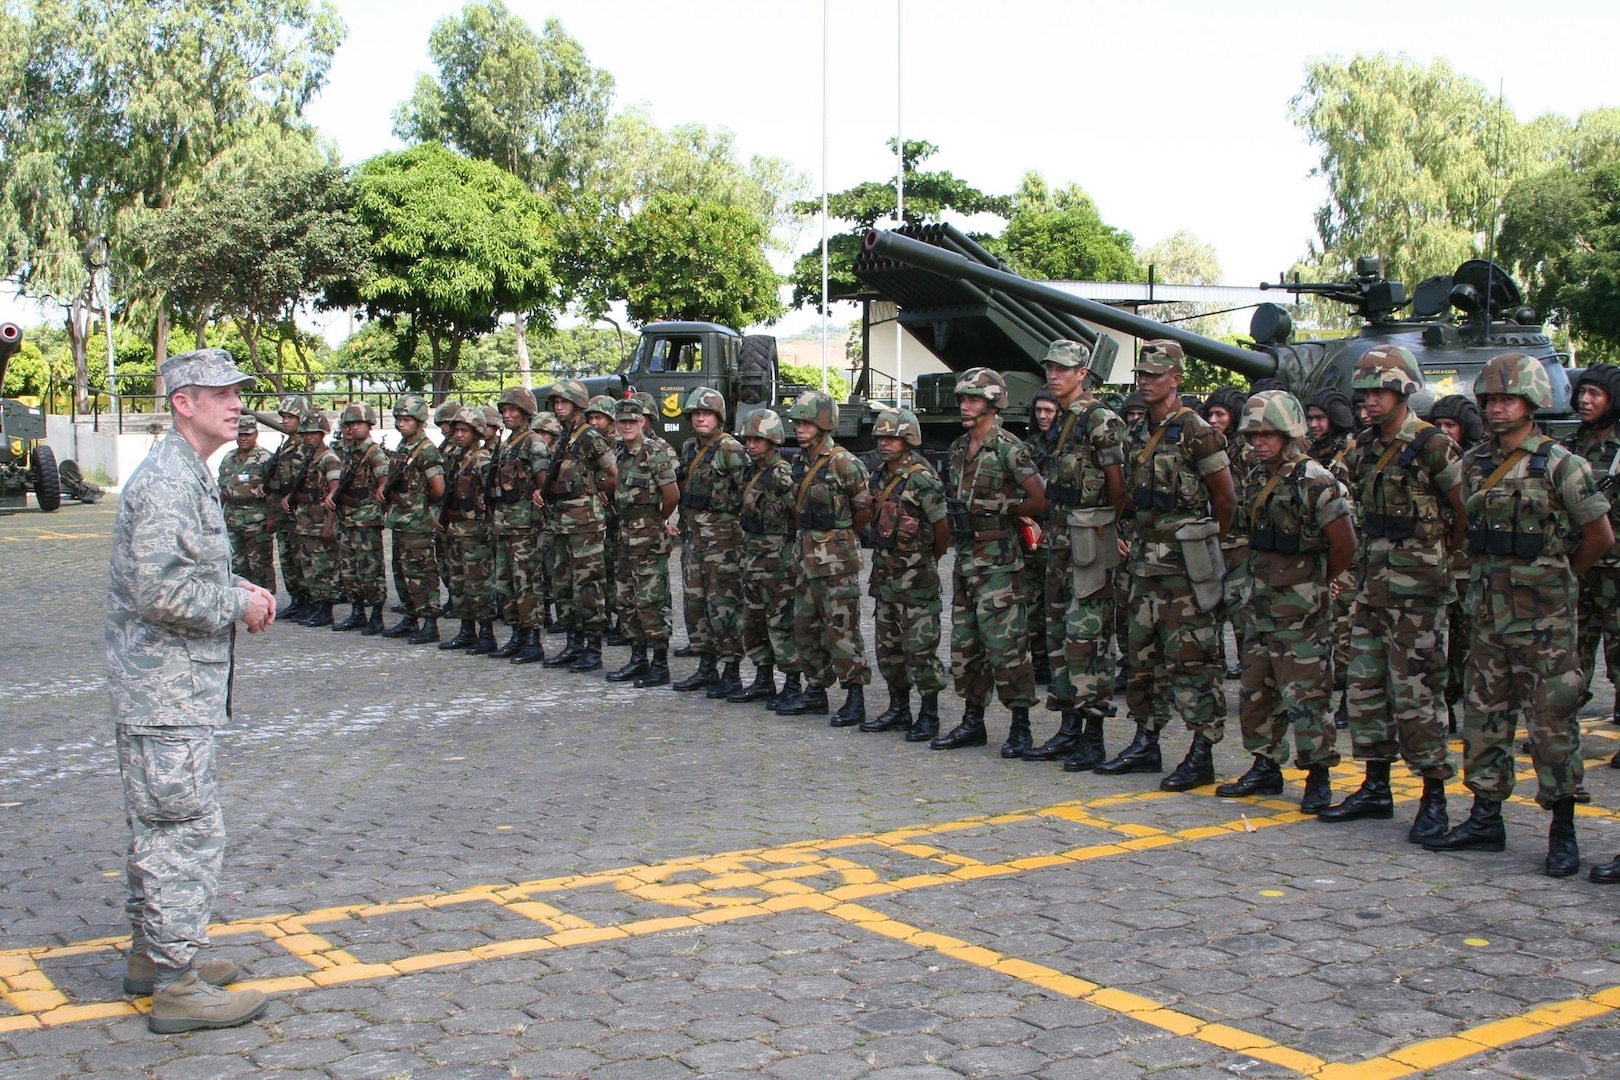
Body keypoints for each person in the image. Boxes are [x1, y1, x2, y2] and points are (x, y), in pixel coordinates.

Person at [107, 347, 273, 1032]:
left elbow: (179, 570)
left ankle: (157, 956)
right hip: (164, 693)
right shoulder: (170, 480)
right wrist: (237, 607)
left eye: (238, 393)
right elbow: (160, 592)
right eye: (221, 394)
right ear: (184, 402)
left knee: (163, 825)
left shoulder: (185, 471)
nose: (237, 405)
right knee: (184, 832)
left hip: (172, 691)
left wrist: (233, 585)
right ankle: (177, 985)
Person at [1425, 353, 1613, 877]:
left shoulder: (1561, 464)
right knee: (1485, 720)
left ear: (1532, 404)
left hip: (1545, 624)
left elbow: (1599, 536)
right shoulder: (1476, 463)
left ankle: (1563, 829)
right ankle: (1486, 817)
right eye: (1490, 400)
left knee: (1552, 725)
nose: (1497, 408)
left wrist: (1561, 579)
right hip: (1488, 619)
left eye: (1507, 400)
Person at [1318, 345, 1467, 843]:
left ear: (1404, 390)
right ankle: (1376, 786)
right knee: (1366, 690)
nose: (1370, 401)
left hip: (1419, 598)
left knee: (1419, 697)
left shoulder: (1432, 445)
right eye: (1365, 392)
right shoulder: (1360, 448)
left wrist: (1441, 564)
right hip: (1371, 592)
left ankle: (1433, 798)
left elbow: (1464, 513)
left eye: (1380, 390)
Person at [1095, 341, 1236, 788]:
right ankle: (1146, 740)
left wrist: (1208, 548)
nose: (1145, 381)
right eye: (1142, 374)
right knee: (1142, 658)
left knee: (1193, 659)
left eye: (1155, 374)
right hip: (1143, 566)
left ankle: (1202, 751)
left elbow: (1226, 499)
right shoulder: (1135, 434)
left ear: (1176, 378)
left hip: (1184, 570)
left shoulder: (1198, 431)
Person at [1214, 391, 1354, 812]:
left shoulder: (1317, 481)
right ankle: (1265, 763)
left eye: (1269, 433)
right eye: (1253, 433)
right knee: (1257, 689)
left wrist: (1314, 583)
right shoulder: (1257, 476)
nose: (1259, 441)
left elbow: (1344, 544)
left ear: (1289, 433)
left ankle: (1318, 774)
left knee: (1308, 694)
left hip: (1301, 609)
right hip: (1259, 602)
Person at [1020, 341, 1126, 771]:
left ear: (1083, 373)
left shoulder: (1101, 420)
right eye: (1050, 367)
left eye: (1063, 368)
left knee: (1090, 640)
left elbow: (1118, 486)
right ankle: (1068, 729)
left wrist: (1109, 530)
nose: (1054, 375)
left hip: (1089, 543)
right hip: (1060, 544)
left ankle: (1093, 738)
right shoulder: (1062, 421)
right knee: (1059, 636)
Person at [932, 367, 1049, 754]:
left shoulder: (1009, 448)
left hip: (999, 562)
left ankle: (1020, 726)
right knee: (966, 646)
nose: (965, 405)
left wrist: (1009, 512)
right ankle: (972, 721)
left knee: (1007, 646)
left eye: (973, 399)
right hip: (967, 560)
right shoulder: (956, 449)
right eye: (963, 399)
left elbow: (1040, 497)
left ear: (994, 403)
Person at [779, 390, 873, 722]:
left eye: (806, 423)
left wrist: (840, 535)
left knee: (842, 630)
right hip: (805, 560)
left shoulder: (844, 463)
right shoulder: (798, 462)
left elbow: (865, 509)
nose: (800, 429)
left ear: (823, 424)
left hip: (837, 564)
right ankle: (815, 690)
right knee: (804, 627)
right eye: (797, 423)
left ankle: (855, 696)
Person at [861, 407, 949, 739]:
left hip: (917, 581)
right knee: (888, 648)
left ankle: (929, 715)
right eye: (881, 437)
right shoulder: (879, 476)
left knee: (920, 649)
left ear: (908, 440)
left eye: (892, 437)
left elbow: (942, 529)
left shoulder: (922, 478)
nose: (884, 443)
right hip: (885, 579)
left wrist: (927, 563)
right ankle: (898, 708)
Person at [671, 388, 749, 697]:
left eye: (708, 413)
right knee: (695, 605)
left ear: (719, 417)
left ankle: (731, 672)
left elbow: (748, 491)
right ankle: (706, 666)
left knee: (725, 607)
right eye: (697, 414)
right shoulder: (690, 447)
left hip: (724, 544)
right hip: (694, 540)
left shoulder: (731, 449)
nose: (701, 417)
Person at [542, 379, 619, 673]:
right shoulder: (565, 436)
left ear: (578, 404)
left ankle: (593, 647)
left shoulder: (589, 437)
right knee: (562, 583)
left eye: (564, 402)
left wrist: (596, 489)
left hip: (585, 522)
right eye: (556, 403)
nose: (559, 407)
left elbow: (613, 472)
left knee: (588, 584)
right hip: (561, 521)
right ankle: (574, 643)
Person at [1561, 364, 1620, 731]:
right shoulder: (1566, 447)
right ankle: (1561, 723)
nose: (1585, 400)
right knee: (1571, 647)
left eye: (1595, 394)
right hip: (1577, 562)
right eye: (1583, 392)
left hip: (1615, 568)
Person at [606, 397, 680, 686]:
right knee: (626, 598)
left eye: (631, 421)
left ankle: (659, 664)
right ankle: (638, 659)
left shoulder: (654, 452)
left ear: (641, 422)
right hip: (625, 535)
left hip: (648, 535)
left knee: (651, 600)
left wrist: (656, 520)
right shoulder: (621, 453)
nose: (626, 426)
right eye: (621, 421)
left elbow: (671, 494)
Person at [1427, 393, 1485, 732]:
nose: (1445, 431)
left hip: (1472, 566)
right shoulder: (1433, 458)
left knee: (1470, 642)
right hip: (1445, 564)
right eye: (1440, 425)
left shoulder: (1479, 462)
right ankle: (1446, 704)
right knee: (1445, 645)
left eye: (1452, 425)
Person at [733, 408, 798, 705]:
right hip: (752, 558)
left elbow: (797, 512)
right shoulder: (752, 470)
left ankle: (793, 683)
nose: (751, 445)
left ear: (773, 441)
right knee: (753, 622)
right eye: (748, 439)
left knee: (780, 623)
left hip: (776, 562)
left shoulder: (781, 472)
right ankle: (763, 678)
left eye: (758, 439)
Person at [1305, 387, 1358, 729]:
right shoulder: (1312, 454)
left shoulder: (1351, 454)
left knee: (1346, 632)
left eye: (1320, 418)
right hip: (1318, 549)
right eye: (1310, 418)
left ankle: (1351, 700)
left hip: (1349, 550)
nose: (1314, 425)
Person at [486, 387, 550, 665]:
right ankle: (517, 635)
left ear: (525, 412)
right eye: (504, 410)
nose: (507, 414)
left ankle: (533, 639)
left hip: (525, 526)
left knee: (527, 582)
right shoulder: (507, 444)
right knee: (506, 582)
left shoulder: (533, 443)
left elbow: (543, 482)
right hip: (504, 524)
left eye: (512, 410)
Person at [381, 394, 446, 643]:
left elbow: (437, 487)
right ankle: (410, 616)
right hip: (401, 520)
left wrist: (420, 504)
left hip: (417, 522)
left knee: (421, 572)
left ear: (419, 421)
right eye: (399, 418)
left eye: (407, 419)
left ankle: (429, 622)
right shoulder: (404, 447)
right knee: (401, 570)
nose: (401, 423)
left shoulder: (426, 449)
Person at [437, 406, 499, 655]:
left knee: (478, 585)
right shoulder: (455, 458)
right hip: (455, 531)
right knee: (458, 583)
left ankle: (486, 634)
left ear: (477, 433)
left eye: (465, 430)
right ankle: (466, 630)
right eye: (457, 430)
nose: (459, 435)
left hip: (475, 533)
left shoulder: (482, 460)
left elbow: (491, 496)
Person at [1203, 385, 1253, 684]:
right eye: (1210, 413)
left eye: (1220, 414)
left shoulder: (1246, 451)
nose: (1213, 420)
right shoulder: (1208, 447)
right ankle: (1214, 673)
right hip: (1212, 540)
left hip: (1239, 543)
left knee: (1242, 615)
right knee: (1211, 612)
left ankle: (1252, 678)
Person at [329, 403, 389, 635]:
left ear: (369, 424)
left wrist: (374, 504)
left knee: (370, 569)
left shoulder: (373, 452)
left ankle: (376, 614)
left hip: (366, 520)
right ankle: (357, 611)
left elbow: (384, 482)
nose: (353, 428)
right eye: (350, 424)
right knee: (349, 569)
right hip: (347, 519)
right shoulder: (347, 452)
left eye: (358, 424)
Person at [284, 413, 342, 627]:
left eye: (314, 433)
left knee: (323, 567)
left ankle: (325, 608)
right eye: (306, 433)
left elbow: (334, 495)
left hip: (320, 522)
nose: (309, 437)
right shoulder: (307, 458)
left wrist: (329, 525)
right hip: (305, 522)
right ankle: (314, 604)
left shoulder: (329, 459)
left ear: (322, 434)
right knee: (308, 566)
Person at [1023, 386, 1061, 686]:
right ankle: (1040, 660)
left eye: (1049, 410)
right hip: (1033, 531)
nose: (1043, 416)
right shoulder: (1032, 444)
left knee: (1057, 601)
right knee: (1032, 600)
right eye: (1039, 410)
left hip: (1059, 531)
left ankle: (1058, 659)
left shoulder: (1067, 443)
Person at [263, 395, 312, 618]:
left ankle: (308, 600)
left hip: (299, 511)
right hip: (283, 510)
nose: (286, 421)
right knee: (287, 557)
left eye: (291, 416)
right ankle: (297, 599)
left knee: (302, 557)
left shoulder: (306, 446)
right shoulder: (286, 444)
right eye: (284, 416)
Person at [218, 415, 276, 594]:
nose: (243, 438)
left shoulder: (266, 458)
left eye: (247, 434)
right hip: (232, 517)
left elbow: (275, 490)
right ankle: (242, 601)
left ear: (256, 434)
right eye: (240, 434)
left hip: (256, 518)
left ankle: (265, 600)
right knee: (236, 563)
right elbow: (222, 488)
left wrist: (272, 517)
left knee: (259, 564)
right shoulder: (228, 458)